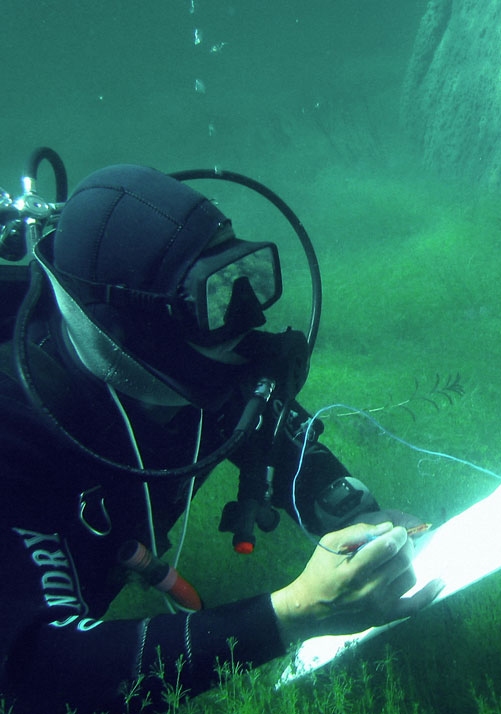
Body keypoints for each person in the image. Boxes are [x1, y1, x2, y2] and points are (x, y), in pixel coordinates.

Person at [0, 163, 443, 713]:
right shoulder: (15, 435)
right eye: (214, 295)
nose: (248, 313)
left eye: (250, 274)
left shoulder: (186, 367)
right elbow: (38, 669)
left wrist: (344, 505)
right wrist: (293, 613)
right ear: (127, 329)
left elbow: (263, 418)